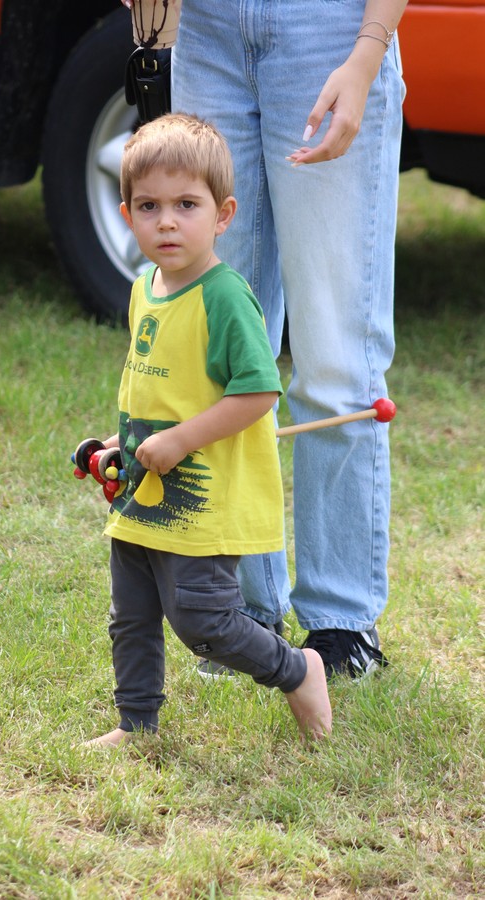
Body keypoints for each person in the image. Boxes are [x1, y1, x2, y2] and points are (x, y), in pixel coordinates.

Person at [150, 0, 407, 679]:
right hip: (207, 32)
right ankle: (245, 612)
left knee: (334, 357)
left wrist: (367, 55)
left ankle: (342, 621)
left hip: (330, 30)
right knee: (223, 352)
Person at [85, 113, 332, 747]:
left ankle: (297, 669)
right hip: (143, 492)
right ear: (127, 214)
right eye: (149, 206)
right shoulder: (144, 289)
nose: (167, 222)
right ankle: (136, 724)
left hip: (203, 496)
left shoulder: (225, 297)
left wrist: (180, 441)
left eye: (186, 205)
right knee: (131, 615)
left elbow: (258, 392)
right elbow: (162, 390)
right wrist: (121, 443)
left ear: (222, 215)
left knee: (204, 621)